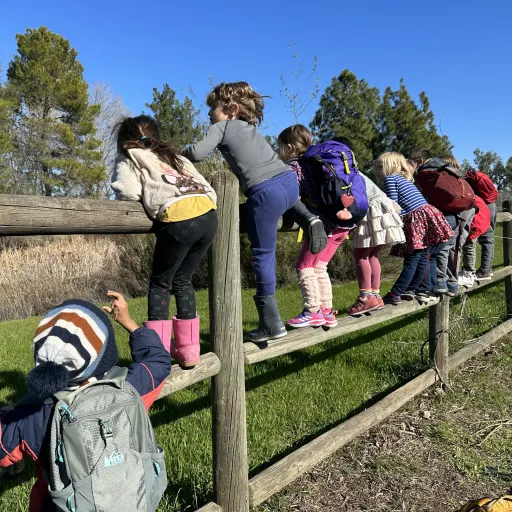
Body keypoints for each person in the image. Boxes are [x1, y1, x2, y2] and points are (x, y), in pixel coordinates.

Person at [183, 82, 327, 342]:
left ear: (232, 109)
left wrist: (181, 153)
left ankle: (271, 324)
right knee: (285, 198)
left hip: (264, 192)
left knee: (263, 254)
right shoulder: (251, 129)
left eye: (213, 108)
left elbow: (198, 153)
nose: (209, 113)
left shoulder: (221, 127)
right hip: (288, 181)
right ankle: (308, 217)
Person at [0, 292, 171, 512]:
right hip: (136, 500)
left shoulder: (33, 414)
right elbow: (158, 360)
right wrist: (128, 322)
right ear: (106, 354)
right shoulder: (131, 387)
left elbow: (4, 449)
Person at [112, 115, 217, 367]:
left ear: (125, 141)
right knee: (182, 280)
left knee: (160, 284)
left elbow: (126, 190)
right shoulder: (176, 156)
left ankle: (157, 355)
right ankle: (189, 351)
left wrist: (145, 198)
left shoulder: (131, 156)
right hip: (208, 215)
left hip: (179, 219)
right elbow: (206, 187)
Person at [277, 125, 352, 327]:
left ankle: (312, 310)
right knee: (320, 266)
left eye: (280, 147)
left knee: (304, 266)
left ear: (290, 147)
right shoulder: (319, 162)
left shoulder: (294, 167)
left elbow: (293, 196)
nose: (279, 151)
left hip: (323, 224)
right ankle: (326, 311)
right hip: (342, 224)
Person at [374, 152, 453, 305]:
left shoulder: (390, 179)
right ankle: (412, 288)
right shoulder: (404, 179)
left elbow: (393, 206)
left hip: (415, 219)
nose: (377, 170)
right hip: (426, 215)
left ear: (391, 166)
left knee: (413, 257)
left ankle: (396, 292)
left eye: (380, 166)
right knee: (422, 255)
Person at [412, 153, 476, 298]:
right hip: (462, 210)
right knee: (452, 247)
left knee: (443, 247)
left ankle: (442, 282)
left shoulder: (429, 171)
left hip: (450, 212)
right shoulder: (452, 173)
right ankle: (448, 283)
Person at [348, 173, 405, 314]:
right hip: (385, 206)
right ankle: (376, 296)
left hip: (371, 207)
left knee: (361, 254)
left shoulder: (338, 169)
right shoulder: (351, 167)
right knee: (373, 255)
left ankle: (365, 298)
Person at [460, 168, 499, 282]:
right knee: (489, 239)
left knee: (483, 240)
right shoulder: (474, 176)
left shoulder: (464, 178)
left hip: (481, 206)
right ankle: (487, 269)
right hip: (491, 205)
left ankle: (483, 271)